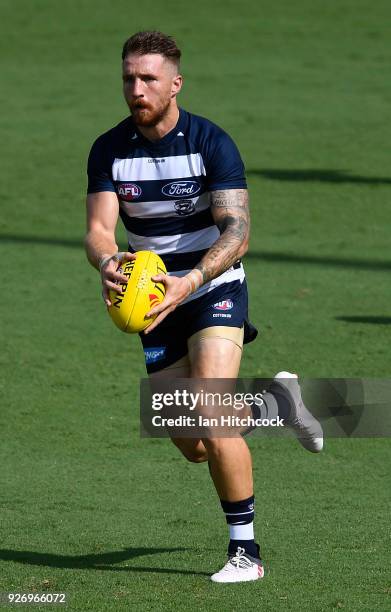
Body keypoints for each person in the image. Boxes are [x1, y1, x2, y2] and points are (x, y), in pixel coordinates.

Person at [85, 30, 323, 583]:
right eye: (128, 77)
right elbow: (99, 229)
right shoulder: (109, 148)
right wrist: (106, 262)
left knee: (213, 420)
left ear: (175, 83)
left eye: (148, 78)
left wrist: (189, 281)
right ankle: (274, 401)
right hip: (153, 300)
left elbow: (237, 231)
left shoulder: (211, 142)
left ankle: (247, 553)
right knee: (192, 442)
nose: (136, 88)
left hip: (210, 285)